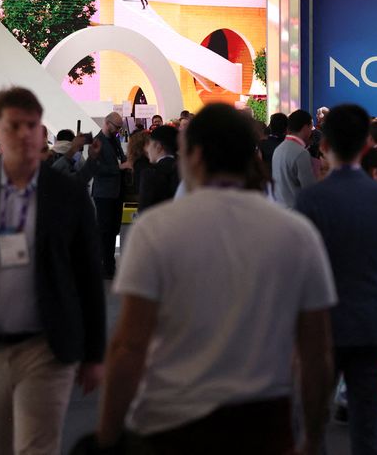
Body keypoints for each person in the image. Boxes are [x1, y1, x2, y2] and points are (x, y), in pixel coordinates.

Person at [96, 103, 337, 455]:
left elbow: (128, 346)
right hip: (263, 426)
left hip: (168, 424)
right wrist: (314, 438)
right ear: (252, 155)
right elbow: (316, 352)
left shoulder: (156, 231)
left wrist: (107, 434)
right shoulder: (296, 235)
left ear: (192, 156)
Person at [0, 87, 105, 454]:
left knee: (36, 447)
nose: (24, 134)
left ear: (42, 133)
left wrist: (94, 353)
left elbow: (89, 276)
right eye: (14, 126)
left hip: (47, 346)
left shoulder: (67, 195)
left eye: (32, 125)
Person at [295, 104, 377, 455]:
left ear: (324, 143)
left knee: (314, 425)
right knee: (366, 424)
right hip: (371, 319)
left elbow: (303, 270)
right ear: (367, 146)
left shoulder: (311, 199)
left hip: (321, 325)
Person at [92, 111, 130, 278]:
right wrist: (119, 168)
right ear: (107, 123)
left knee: (113, 229)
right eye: (117, 127)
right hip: (104, 193)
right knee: (105, 231)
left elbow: (120, 158)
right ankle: (105, 266)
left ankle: (109, 265)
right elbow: (96, 169)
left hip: (116, 191)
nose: (118, 131)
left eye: (120, 128)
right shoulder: (97, 142)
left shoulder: (114, 140)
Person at [271, 110, 317, 208]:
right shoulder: (301, 153)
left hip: (280, 209)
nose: (311, 131)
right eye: (310, 127)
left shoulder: (279, 149)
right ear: (305, 127)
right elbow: (309, 189)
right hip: (296, 211)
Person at [138, 125, 179, 212]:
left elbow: (144, 212)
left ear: (158, 147)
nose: (147, 149)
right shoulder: (185, 170)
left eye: (149, 144)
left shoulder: (150, 174)